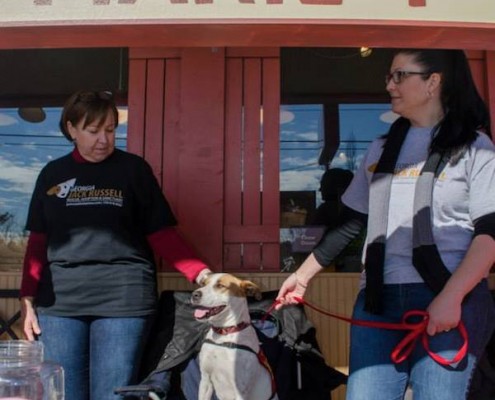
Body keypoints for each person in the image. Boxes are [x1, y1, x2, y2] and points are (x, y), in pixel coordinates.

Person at [276, 49, 495, 399]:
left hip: (449, 299)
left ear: (432, 83)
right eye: (389, 76)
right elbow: (350, 224)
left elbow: (489, 234)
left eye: (399, 75)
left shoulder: (474, 146)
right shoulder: (379, 149)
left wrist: (451, 298)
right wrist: (301, 277)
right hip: (378, 301)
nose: (388, 84)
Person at [19, 90, 212, 400]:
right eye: (93, 131)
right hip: (60, 304)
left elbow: (161, 233)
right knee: (63, 393)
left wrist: (202, 275)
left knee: (113, 394)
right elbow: (38, 242)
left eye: (110, 130)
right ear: (71, 129)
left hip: (123, 299)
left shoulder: (134, 170)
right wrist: (27, 297)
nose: (104, 140)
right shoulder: (52, 174)